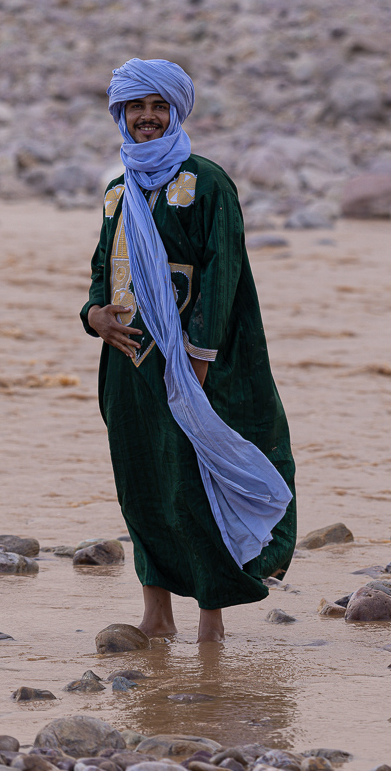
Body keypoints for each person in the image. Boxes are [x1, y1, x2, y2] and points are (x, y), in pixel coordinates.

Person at [80, 59, 296, 644]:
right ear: (121, 114)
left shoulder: (206, 183)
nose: (147, 117)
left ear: (176, 112)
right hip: (127, 365)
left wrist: (198, 358)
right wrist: (93, 315)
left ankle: (211, 623)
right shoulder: (118, 191)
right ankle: (156, 616)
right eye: (137, 107)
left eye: (159, 107)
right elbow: (103, 268)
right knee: (141, 484)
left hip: (193, 365)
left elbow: (224, 273)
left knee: (194, 484)